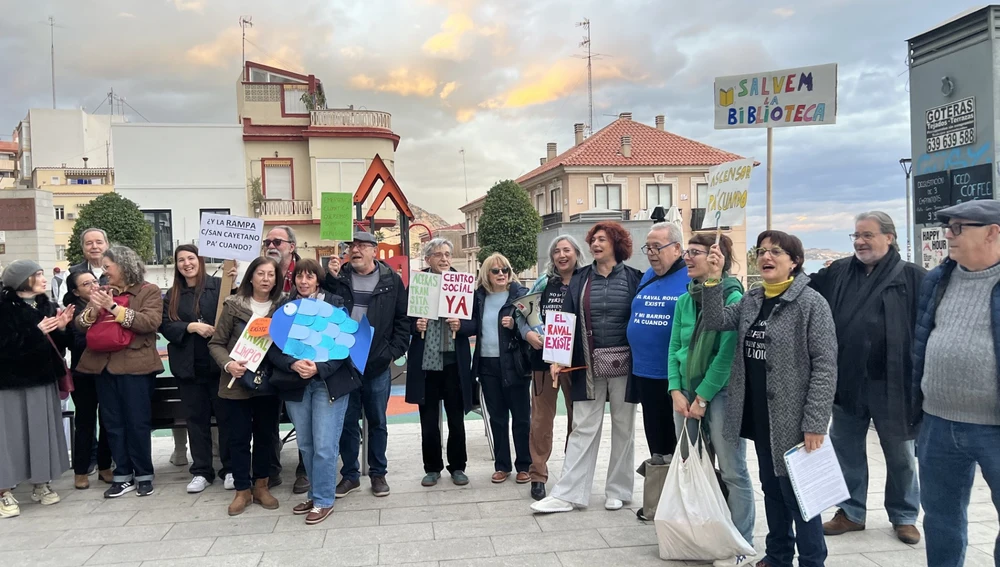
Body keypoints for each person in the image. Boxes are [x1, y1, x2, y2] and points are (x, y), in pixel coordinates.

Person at [703, 230, 838, 567]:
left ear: (794, 261)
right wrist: (714, 278)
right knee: (773, 490)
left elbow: (825, 365)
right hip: (758, 413)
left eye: (776, 251)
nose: (766, 257)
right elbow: (716, 320)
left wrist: (815, 423)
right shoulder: (752, 299)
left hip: (794, 419)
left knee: (801, 496)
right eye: (761, 251)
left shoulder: (811, 303)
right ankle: (778, 555)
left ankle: (811, 560)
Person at [809, 212, 925, 545]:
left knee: (900, 454)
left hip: (896, 385)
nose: (860, 241)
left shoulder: (915, 277)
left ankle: (904, 515)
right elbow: (804, 289)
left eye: (867, 235)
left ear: (889, 237)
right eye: (856, 235)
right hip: (847, 381)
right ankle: (850, 512)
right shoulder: (839, 272)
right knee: (846, 449)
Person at [532, 221, 643, 514]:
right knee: (582, 427)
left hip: (625, 365)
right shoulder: (580, 278)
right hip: (586, 365)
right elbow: (564, 318)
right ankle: (569, 494)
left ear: (616, 244)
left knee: (623, 426)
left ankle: (618, 490)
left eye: (602, 239)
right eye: (593, 240)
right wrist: (556, 358)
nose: (595, 244)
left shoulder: (635, 278)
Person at [913, 200, 1000, 566]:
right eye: (947, 226)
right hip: (938, 423)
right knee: (941, 519)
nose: (947, 234)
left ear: (994, 232)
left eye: (959, 227)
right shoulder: (938, 279)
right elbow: (919, 340)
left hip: (994, 427)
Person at [668, 233, 755, 559]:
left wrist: (702, 398)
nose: (688, 258)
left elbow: (727, 354)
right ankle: (700, 534)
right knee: (692, 466)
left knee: (733, 470)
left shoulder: (734, 298)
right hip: (684, 393)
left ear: (716, 257)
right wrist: (675, 389)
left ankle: (739, 544)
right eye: (687, 252)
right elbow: (674, 348)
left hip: (721, 394)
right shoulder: (684, 300)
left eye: (696, 253)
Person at [268, 259, 361, 525]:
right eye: (299, 277)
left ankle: (323, 501)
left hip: (328, 384)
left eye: (309, 276)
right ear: (294, 280)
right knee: (306, 445)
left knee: (324, 445)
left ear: (318, 280)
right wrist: (293, 363)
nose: (304, 281)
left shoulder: (335, 303)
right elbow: (273, 348)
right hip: (296, 384)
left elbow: (346, 343)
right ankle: (315, 493)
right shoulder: (283, 309)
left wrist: (319, 369)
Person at [325, 231, 410, 499]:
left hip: (376, 364)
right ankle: (350, 475)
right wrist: (329, 278)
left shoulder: (391, 281)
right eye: (352, 246)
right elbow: (323, 311)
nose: (356, 250)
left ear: (375, 250)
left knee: (377, 421)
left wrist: (392, 352)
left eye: (362, 246)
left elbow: (403, 320)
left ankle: (378, 474)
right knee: (347, 421)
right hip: (344, 363)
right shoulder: (339, 280)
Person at [75, 246, 164, 498]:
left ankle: (144, 474)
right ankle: (122, 474)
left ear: (123, 265)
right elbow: (80, 325)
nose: (104, 272)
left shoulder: (149, 291)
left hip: (136, 367)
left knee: (137, 422)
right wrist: (93, 310)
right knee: (112, 423)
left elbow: (150, 323)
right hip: (103, 367)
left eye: (107, 267)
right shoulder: (101, 291)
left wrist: (113, 307)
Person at [209, 256, 283, 516]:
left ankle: (261, 486)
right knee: (238, 438)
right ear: (250, 276)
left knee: (266, 437)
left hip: (269, 383)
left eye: (271, 274)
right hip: (236, 383)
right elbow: (216, 343)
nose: (266, 279)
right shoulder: (233, 305)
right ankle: (242, 490)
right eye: (261, 273)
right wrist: (228, 364)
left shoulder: (283, 307)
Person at [0, 260, 74, 518]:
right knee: (9, 438)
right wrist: (36, 331)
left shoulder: (46, 306)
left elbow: (58, 346)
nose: (44, 279)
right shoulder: (4, 308)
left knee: (40, 432)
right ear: (23, 280)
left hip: (43, 380)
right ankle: (4, 490)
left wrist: (62, 327)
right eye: (38, 275)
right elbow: (5, 347)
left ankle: (40, 482)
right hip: (10, 383)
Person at [160, 245, 233, 494]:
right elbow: (166, 326)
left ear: (200, 261)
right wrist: (191, 327)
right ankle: (201, 470)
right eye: (181, 260)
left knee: (226, 420)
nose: (186, 263)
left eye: (191, 258)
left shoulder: (219, 287)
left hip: (218, 366)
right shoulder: (172, 294)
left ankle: (230, 468)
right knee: (196, 421)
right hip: (189, 368)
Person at [405, 238, 475, 488]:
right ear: (428, 259)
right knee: (428, 419)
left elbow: (474, 320)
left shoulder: (464, 284)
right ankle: (432, 467)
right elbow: (404, 320)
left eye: (447, 254)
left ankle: (458, 467)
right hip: (426, 363)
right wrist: (416, 325)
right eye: (439, 255)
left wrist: (462, 325)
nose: (445, 259)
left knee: (457, 420)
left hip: (454, 362)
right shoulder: (418, 284)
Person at [519, 235, 584, 501]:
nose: (561, 255)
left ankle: (572, 472)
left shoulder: (586, 282)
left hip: (577, 362)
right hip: (544, 362)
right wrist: (527, 335)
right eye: (556, 251)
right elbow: (523, 315)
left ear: (577, 253)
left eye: (566, 250)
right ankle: (538, 475)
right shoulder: (543, 283)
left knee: (577, 420)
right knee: (541, 420)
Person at [628, 222, 689, 460]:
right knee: (656, 441)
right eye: (648, 247)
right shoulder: (648, 277)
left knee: (678, 444)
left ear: (676, 248)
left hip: (674, 375)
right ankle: (661, 485)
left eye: (657, 247)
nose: (651, 253)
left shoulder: (689, 276)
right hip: (644, 372)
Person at [472, 252, 531, 484]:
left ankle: (524, 465)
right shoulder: (478, 298)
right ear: (486, 274)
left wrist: (515, 324)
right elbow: (469, 325)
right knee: (497, 418)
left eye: (504, 270)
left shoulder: (521, 296)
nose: (501, 274)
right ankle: (502, 466)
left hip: (514, 364)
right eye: (495, 270)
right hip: (487, 365)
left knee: (521, 418)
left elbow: (535, 325)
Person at [262, 225, 306, 493]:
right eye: (268, 241)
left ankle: (304, 469)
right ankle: (271, 469)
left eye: (277, 241)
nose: (271, 245)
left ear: (291, 246)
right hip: (267, 355)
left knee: (302, 416)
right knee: (267, 413)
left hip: (299, 356)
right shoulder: (258, 271)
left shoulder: (305, 273)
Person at [63, 270, 113, 490]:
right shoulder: (74, 311)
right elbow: (76, 342)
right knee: (85, 423)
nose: (93, 286)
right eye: (86, 284)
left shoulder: (107, 303)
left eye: (94, 281)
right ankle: (81, 470)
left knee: (108, 419)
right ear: (76, 291)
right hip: (83, 374)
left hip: (107, 370)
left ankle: (105, 467)